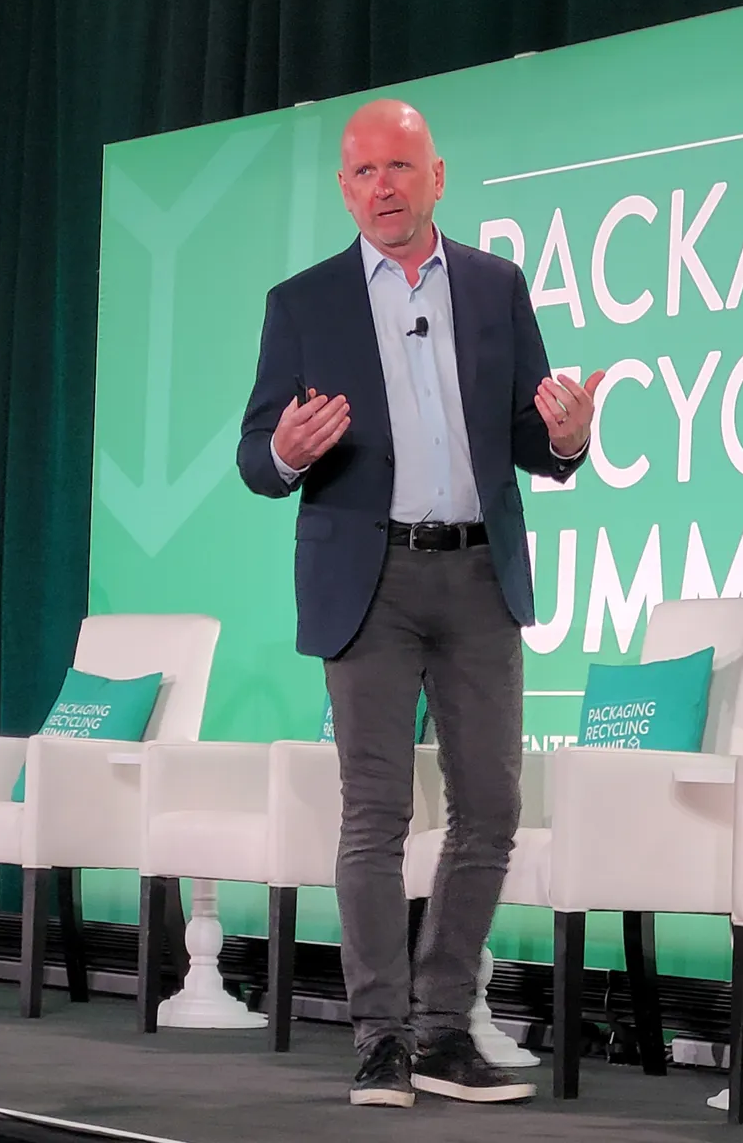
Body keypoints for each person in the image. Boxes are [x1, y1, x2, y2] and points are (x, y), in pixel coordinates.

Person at [236, 98, 603, 1108]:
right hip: (371, 578)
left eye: (399, 168)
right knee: (376, 812)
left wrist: (568, 436)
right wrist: (284, 451)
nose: (383, 189)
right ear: (345, 188)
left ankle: (444, 1033)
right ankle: (378, 1038)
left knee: (490, 807)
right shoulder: (303, 303)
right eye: (362, 174)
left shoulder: (494, 287)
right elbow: (255, 457)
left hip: (480, 575)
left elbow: (538, 440)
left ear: (436, 175)